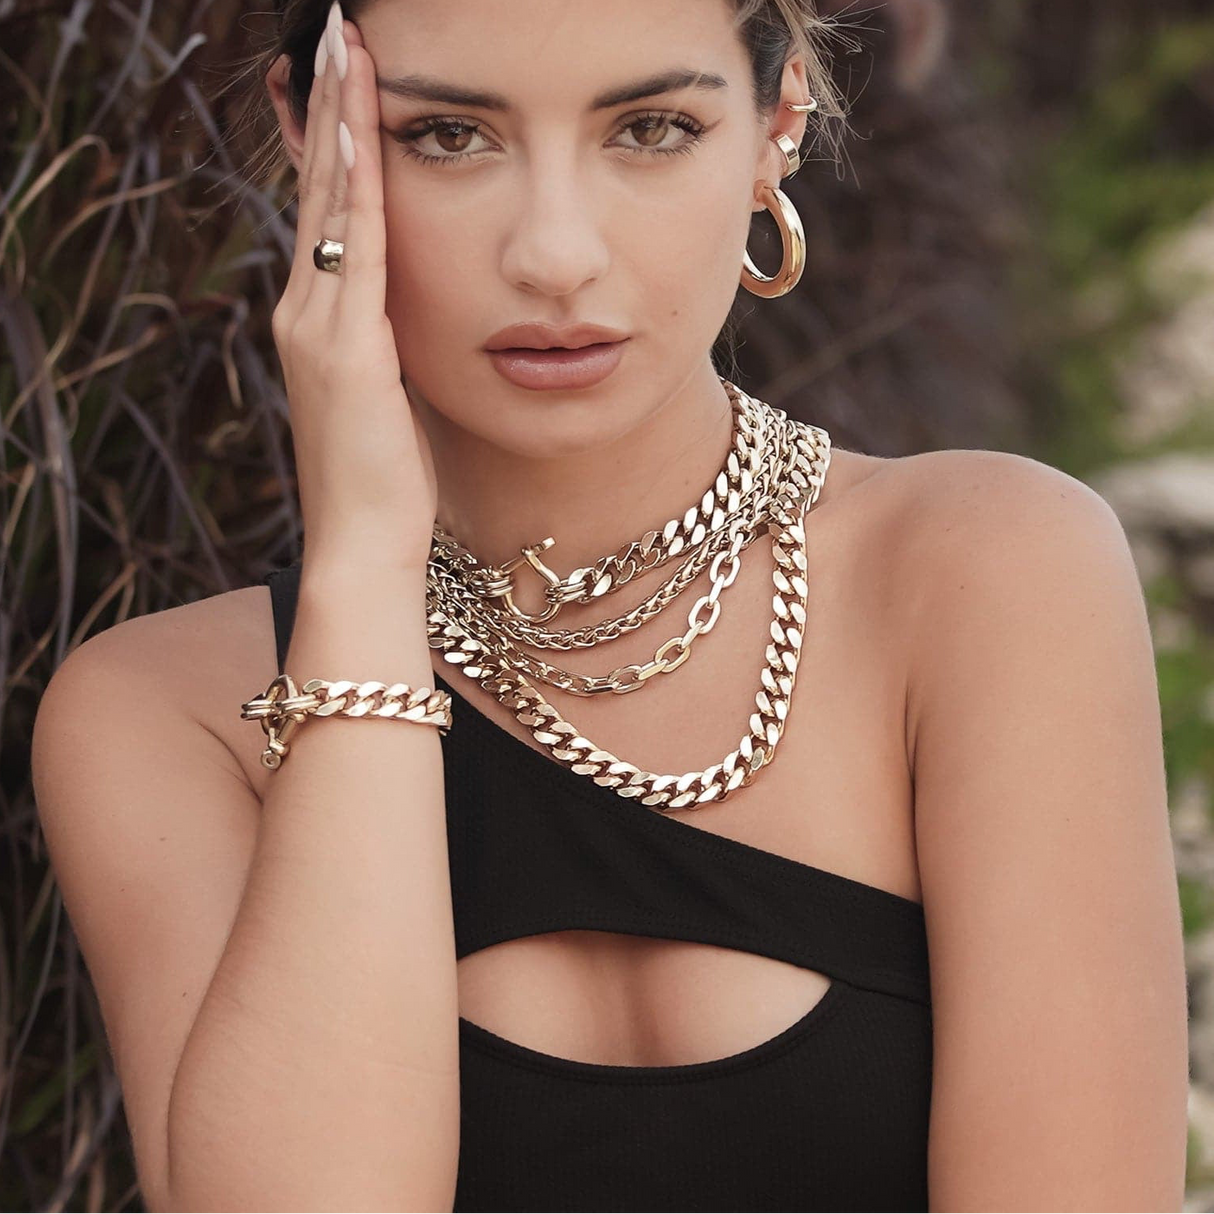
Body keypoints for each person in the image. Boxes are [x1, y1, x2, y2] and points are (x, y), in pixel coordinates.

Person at [30, 0, 1190, 1210]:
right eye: (445, 136)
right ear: (310, 131)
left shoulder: (988, 577)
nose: (554, 253)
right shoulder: (166, 716)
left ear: (774, 123)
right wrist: (366, 565)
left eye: (650, 126)